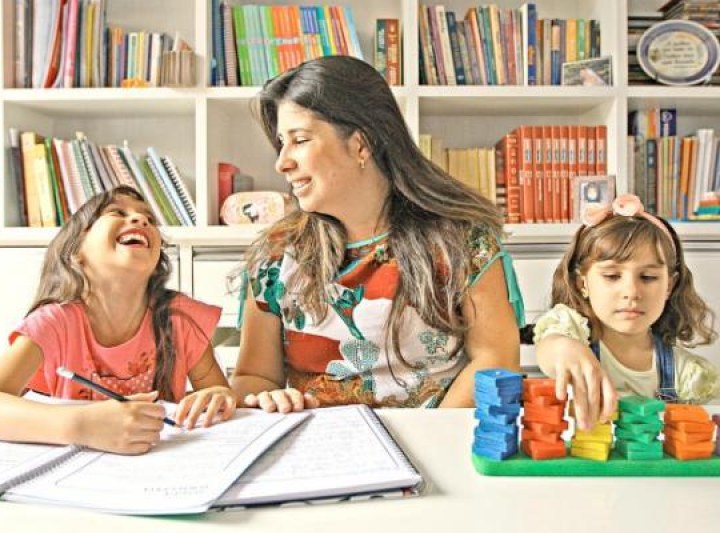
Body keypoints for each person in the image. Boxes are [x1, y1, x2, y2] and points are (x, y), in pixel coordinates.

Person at [231, 56, 524, 412]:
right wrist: (265, 398)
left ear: (361, 144)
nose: (282, 162)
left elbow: (495, 358)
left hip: (431, 441)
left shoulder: (463, 241)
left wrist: (430, 436)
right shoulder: (274, 255)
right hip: (317, 442)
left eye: (300, 140)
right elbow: (254, 377)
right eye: (282, 142)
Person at [0, 186, 236, 454]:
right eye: (117, 212)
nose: (140, 220)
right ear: (75, 252)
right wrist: (82, 425)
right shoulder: (54, 323)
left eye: (149, 219)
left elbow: (218, 394)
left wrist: (218, 396)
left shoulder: (180, 318)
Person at [534, 194, 718, 430]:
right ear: (582, 283)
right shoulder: (570, 334)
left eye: (648, 277)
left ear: (669, 286)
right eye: (612, 276)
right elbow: (550, 347)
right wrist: (564, 348)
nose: (631, 292)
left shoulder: (686, 373)